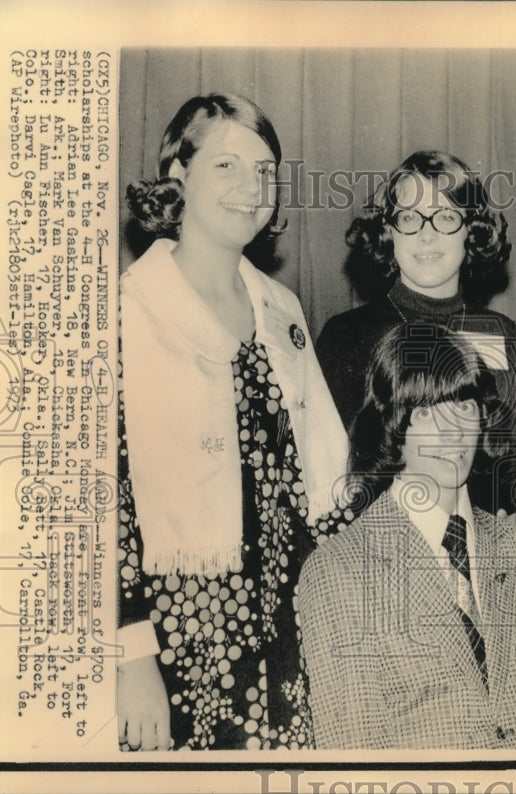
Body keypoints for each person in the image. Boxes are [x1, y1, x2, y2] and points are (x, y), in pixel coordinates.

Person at [117, 94, 348, 750]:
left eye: (266, 170)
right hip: (177, 628)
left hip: (286, 620)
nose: (252, 187)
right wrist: (130, 655)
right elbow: (100, 502)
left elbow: (321, 482)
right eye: (227, 165)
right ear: (178, 173)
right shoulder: (127, 313)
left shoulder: (283, 309)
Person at [299, 325, 516, 748]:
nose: (453, 432)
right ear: (394, 425)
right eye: (428, 412)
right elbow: (355, 753)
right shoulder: (338, 570)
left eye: (464, 406)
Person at [316, 151, 516, 519]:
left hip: (485, 544)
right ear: (388, 231)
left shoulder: (501, 332)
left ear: (471, 230)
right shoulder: (346, 335)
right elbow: (334, 468)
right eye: (409, 217)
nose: (426, 235)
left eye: (444, 217)